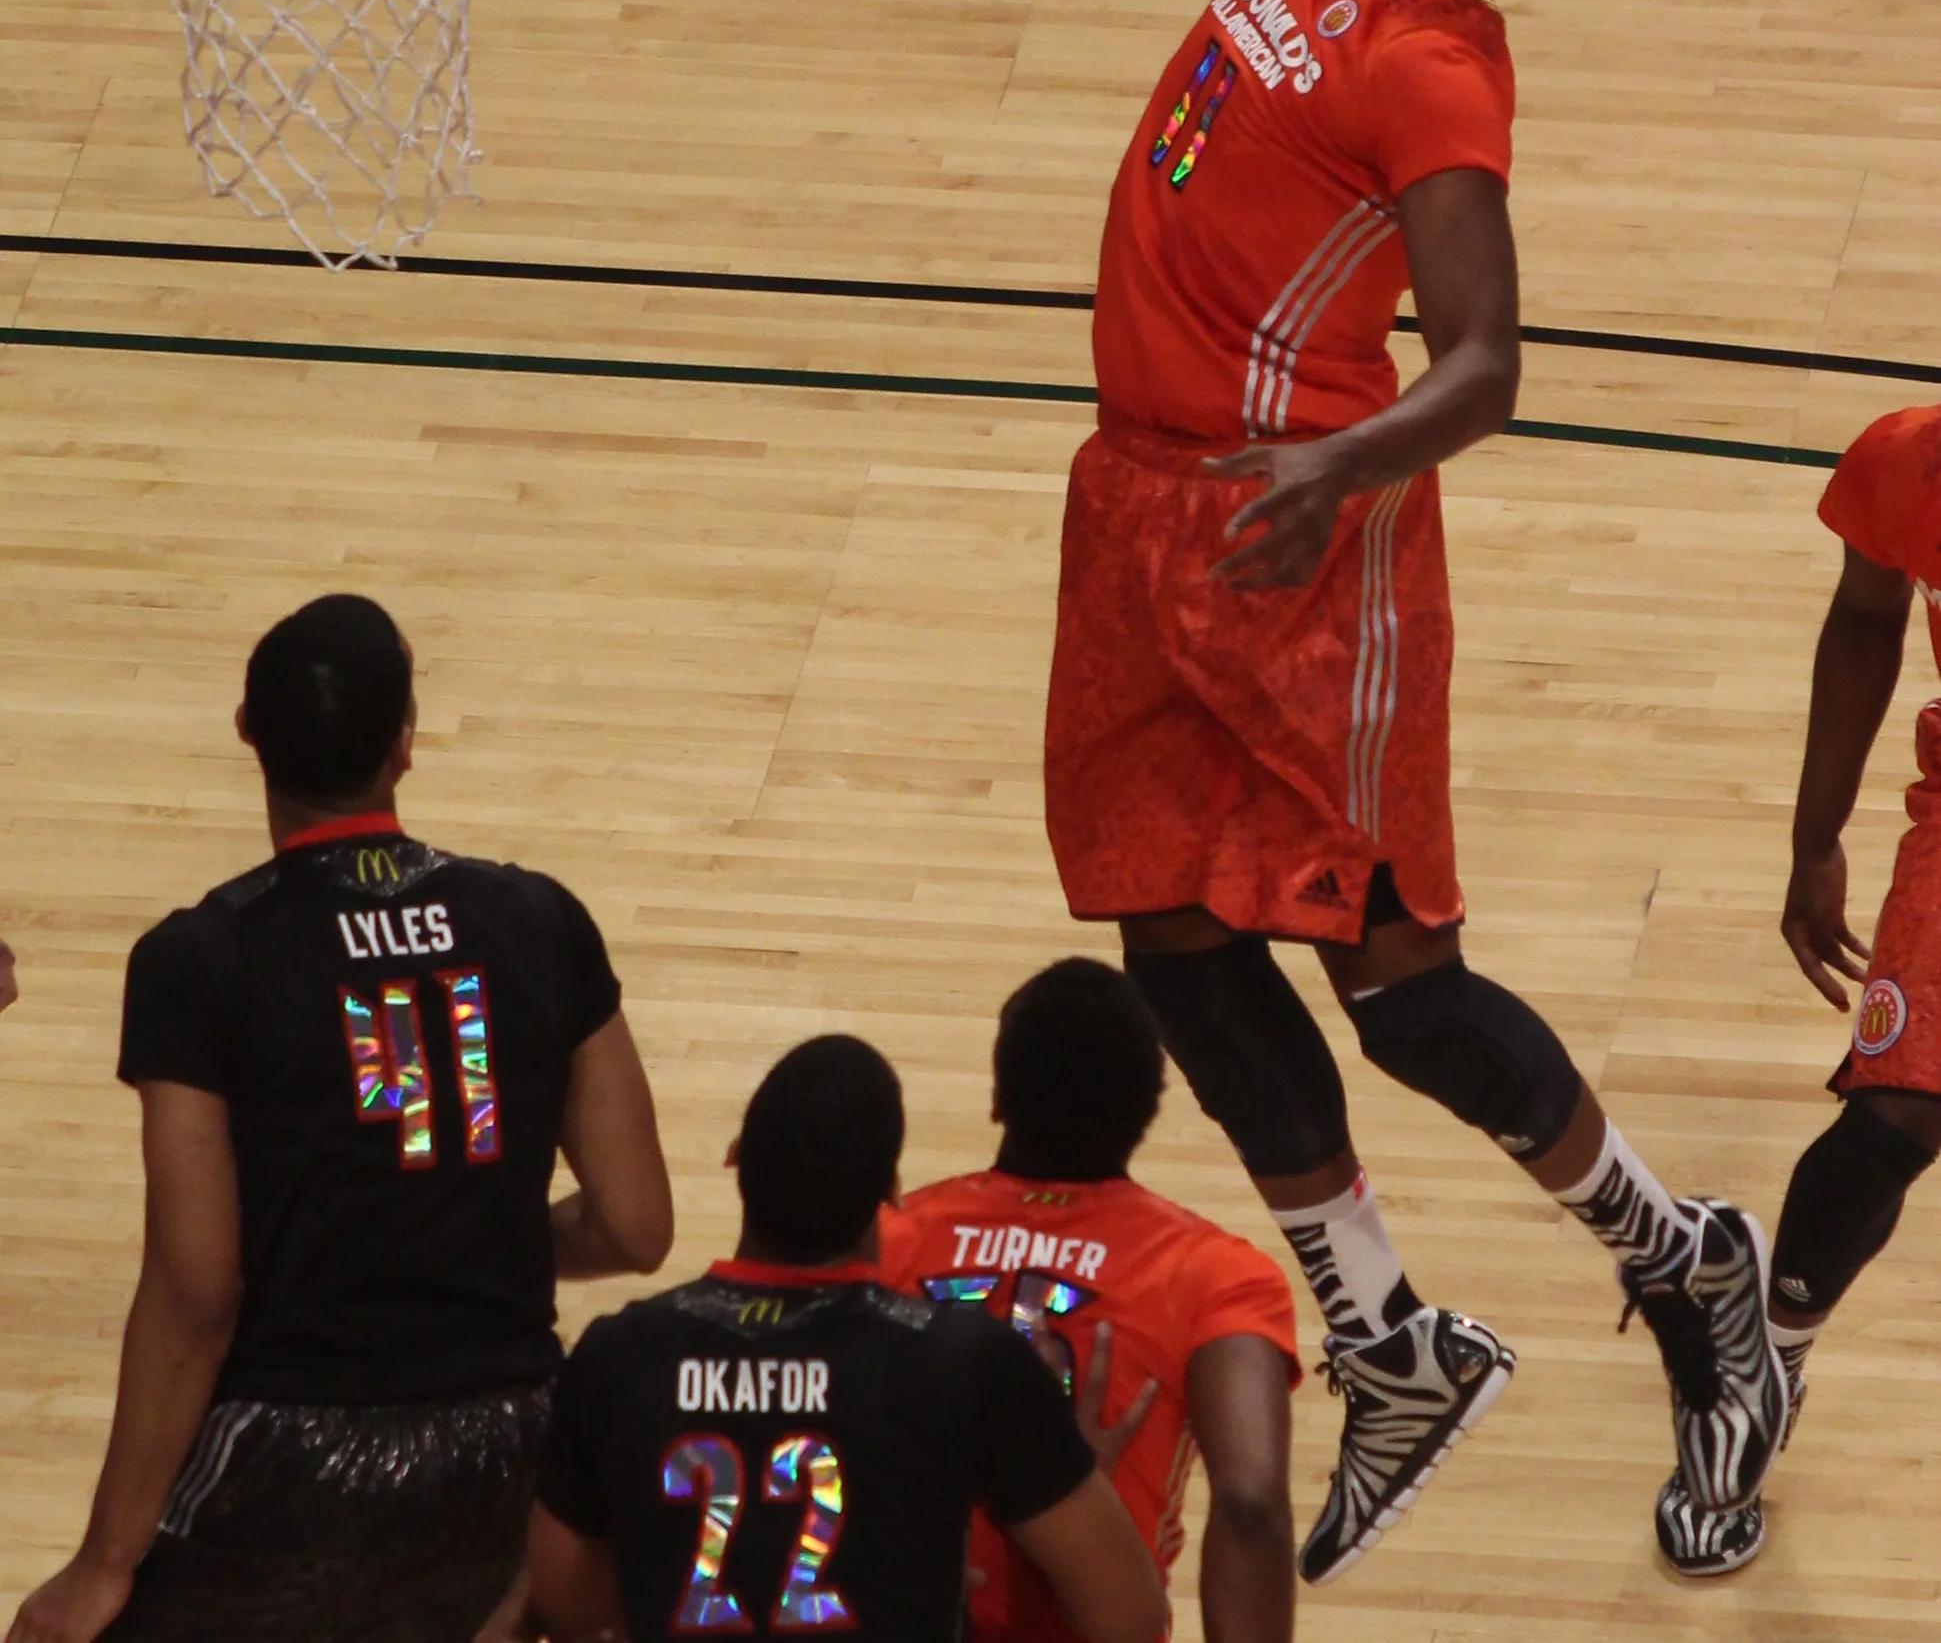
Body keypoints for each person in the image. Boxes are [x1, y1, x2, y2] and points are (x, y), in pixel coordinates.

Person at [1040, 0, 1787, 1587]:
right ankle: (1386, 1329)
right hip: (1137, 490)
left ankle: (1685, 1262)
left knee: (1393, 978)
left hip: (1295, 517)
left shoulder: (1433, 62)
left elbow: (1487, 354)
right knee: (1161, 923)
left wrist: (1339, 458)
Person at [5, 595, 674, 1643]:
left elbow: (195, 1289)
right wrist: (467, 1228)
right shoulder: (542, 918)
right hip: (514, 1448)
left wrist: (103, 1560)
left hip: (292, 1459)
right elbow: (636, 1226)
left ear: (245, 732)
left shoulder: (198, 960)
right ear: (404, 742)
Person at [525, 1032, 1169, 1643]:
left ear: (736, 1158)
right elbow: (1130, 1616)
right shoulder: (964, 1361)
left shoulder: (619, 1353)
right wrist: (1066, 1476)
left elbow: (567, 1601)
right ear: (889, 1192)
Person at [1656, 404, 1941, 1575]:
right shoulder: (1911, 461)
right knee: (1888, 1126)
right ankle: (1762, 1364)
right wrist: (1815, 837)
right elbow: (1866, 616)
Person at [880, 958, 1298, 1643]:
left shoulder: (886, 1239)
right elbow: (1251, 1505)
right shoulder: (1216, 1274)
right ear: (1145, 1110)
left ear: (997, 1098)